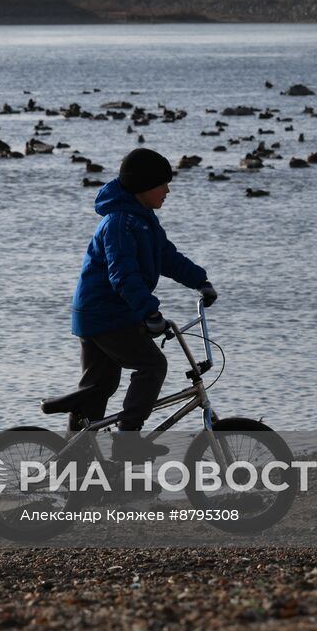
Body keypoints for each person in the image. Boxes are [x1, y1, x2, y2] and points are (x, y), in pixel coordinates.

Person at [69, 148, 217, 461]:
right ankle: (127, 439)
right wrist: (149, 311)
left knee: (97, 391)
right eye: (162, 184)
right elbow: (122, 275)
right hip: (104, 316)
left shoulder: (143, 219)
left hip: (108, 315)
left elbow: (166, 256)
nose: (168, 190)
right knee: (152, 365)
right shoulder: (119, 223)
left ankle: (80, 466)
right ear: (142, 187)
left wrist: (200, 281)